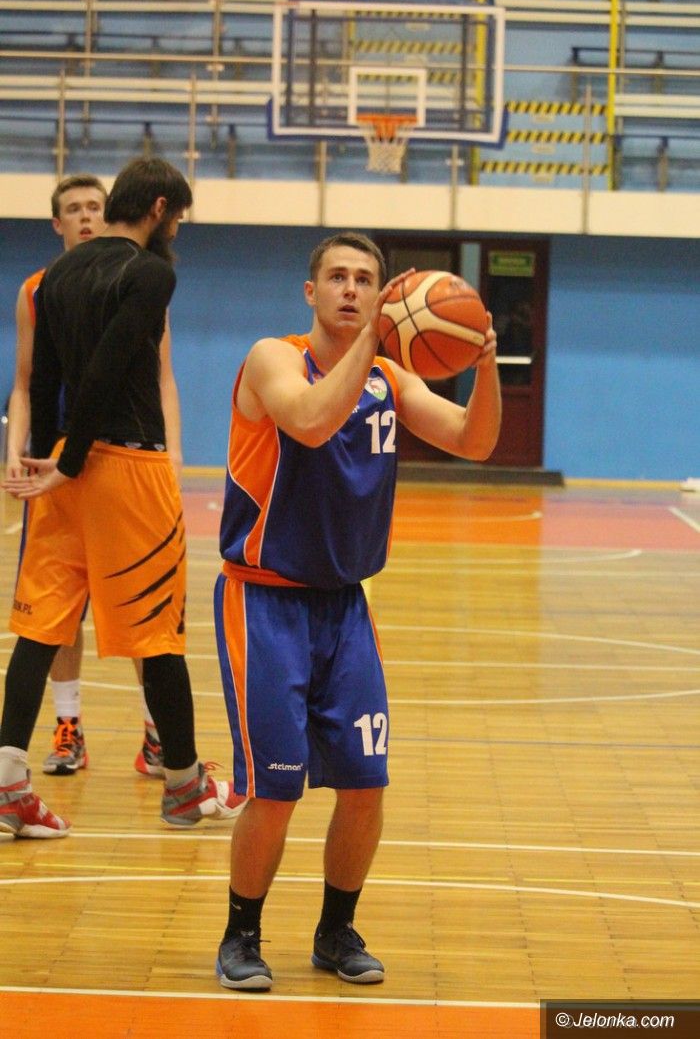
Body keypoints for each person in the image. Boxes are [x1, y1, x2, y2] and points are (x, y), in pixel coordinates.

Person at [212, 231, 501, 990]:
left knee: (366, 784)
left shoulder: (388, 378)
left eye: (365, 279)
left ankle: (336, 931)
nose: (350, 289)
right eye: (337, 277)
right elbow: (309, 420)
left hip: (345, 608)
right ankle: (241, 936)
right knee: (275, 789)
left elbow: (473, 440)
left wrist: (484, 366)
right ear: (311, 292)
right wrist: (375, 340)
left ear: (381, 292)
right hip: (265, 601)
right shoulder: (273, 358)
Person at [0, 156, 242, 839]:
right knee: (158, 635)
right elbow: (107, 367)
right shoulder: (152, 273)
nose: (179, 231)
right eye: (179, 217)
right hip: (126, 471)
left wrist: (50, 461)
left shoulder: (54, 277)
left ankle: (8, 785)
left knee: (40, 631)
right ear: (159, 208)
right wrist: (73, 460)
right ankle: (185, 786)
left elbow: (44, 379)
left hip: (62, 475)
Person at [6, 172, 182, 780]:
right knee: (82, 618)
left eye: (94, 206)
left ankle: (153, 734)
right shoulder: (50, 286)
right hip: (83, 461)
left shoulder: (121, 277)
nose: (86, 216)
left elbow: (158, 375)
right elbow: (34, 381)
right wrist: (34, 451)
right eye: (74, 209)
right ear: (58, 223)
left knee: (102, 613)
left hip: (93, 461)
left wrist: (172, 453)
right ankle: (79, 730)